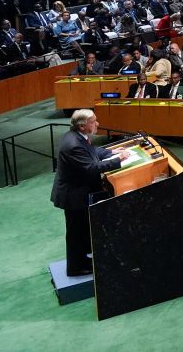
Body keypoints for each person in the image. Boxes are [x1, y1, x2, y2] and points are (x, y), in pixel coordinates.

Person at [50, 109, 124, 275]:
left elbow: (93, 152)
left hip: (78, 192)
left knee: (82, 230)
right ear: (83, 126)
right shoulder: (74, 145)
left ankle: (82, 260)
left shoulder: (77, 137)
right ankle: (75, 268)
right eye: (93, 121)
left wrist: (112, 152)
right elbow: (91, 168)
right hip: (73, 196)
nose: (97, 124)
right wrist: (119, 160)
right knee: (76, 233)